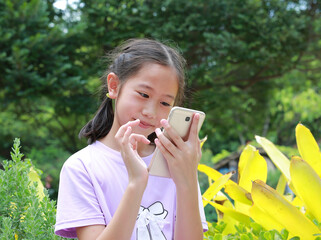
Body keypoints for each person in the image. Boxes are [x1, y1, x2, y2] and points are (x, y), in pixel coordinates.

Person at [55, 38, 208, 240]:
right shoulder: (82, 167)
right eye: (143, 94)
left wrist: (187, 180)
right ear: (114, 86)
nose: (151, 112)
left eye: (164, 102)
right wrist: (136, 183)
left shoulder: (177, 165)